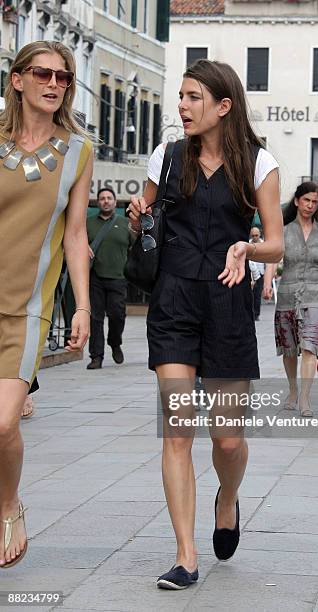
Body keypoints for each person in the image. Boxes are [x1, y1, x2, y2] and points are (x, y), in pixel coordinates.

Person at [128, 59, 283, 590]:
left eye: (194, 98)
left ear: (224, 106)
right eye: (182, 97)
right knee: (177, 432)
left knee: (227, 441)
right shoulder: (166, 158)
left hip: (228, 302)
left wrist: (248, 245)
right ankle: (185, 555)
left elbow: (276, 243)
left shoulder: (259, 164)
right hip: (173, 302)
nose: (183, 106)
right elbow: (144, 211)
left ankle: (229, 497)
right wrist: (138, 213)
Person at [0, 41, 92, 568]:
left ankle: (9, 501)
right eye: (43, 74)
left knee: (5, 423)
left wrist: (81, 307)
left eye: (63, 77)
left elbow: (75, 235)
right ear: (17, 80)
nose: (54, 84)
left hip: (30, 307)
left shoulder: (77, 152)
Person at [265, 182, 318, 417]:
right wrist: (267, 283)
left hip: (316, 295)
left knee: (310, 347)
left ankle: (305, 398)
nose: (310, 205)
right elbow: (272, 259)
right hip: (287, 293)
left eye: (314, 202)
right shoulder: (284, 230)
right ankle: (292, 390)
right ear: (297, 201)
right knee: (289, 349)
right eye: (306, 200)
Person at [87, 187, 133, 369]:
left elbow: (137, 247)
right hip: (94, 277)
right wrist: (84, 245)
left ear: (114, 202)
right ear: (98, 202)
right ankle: (96, 356)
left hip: (118, 277)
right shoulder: (88, 223)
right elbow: (75, 241)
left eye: (109, 198)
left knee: (117, 315)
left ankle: (115, 342)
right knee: (95, 318)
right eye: (102, 198)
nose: (106, 201)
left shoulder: (125, 223)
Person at [249, 226, 265, 320]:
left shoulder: (264, 244)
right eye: (253, 235)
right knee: (250, 295)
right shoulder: (248, 244)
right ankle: (251, 313)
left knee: (257, 295)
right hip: (251, 273)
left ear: (259, 235)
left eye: (256, 235)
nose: (255, 237)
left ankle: (256, 314)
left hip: (261, 273)